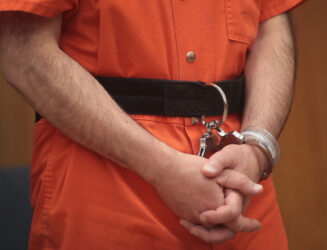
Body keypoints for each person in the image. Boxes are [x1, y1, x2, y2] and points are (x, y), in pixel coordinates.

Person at [0, 0, 303, 249]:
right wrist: (161, 168)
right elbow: (24, 50)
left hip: (241, 191)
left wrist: (258, 148)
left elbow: (272, 26)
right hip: (106, 193)